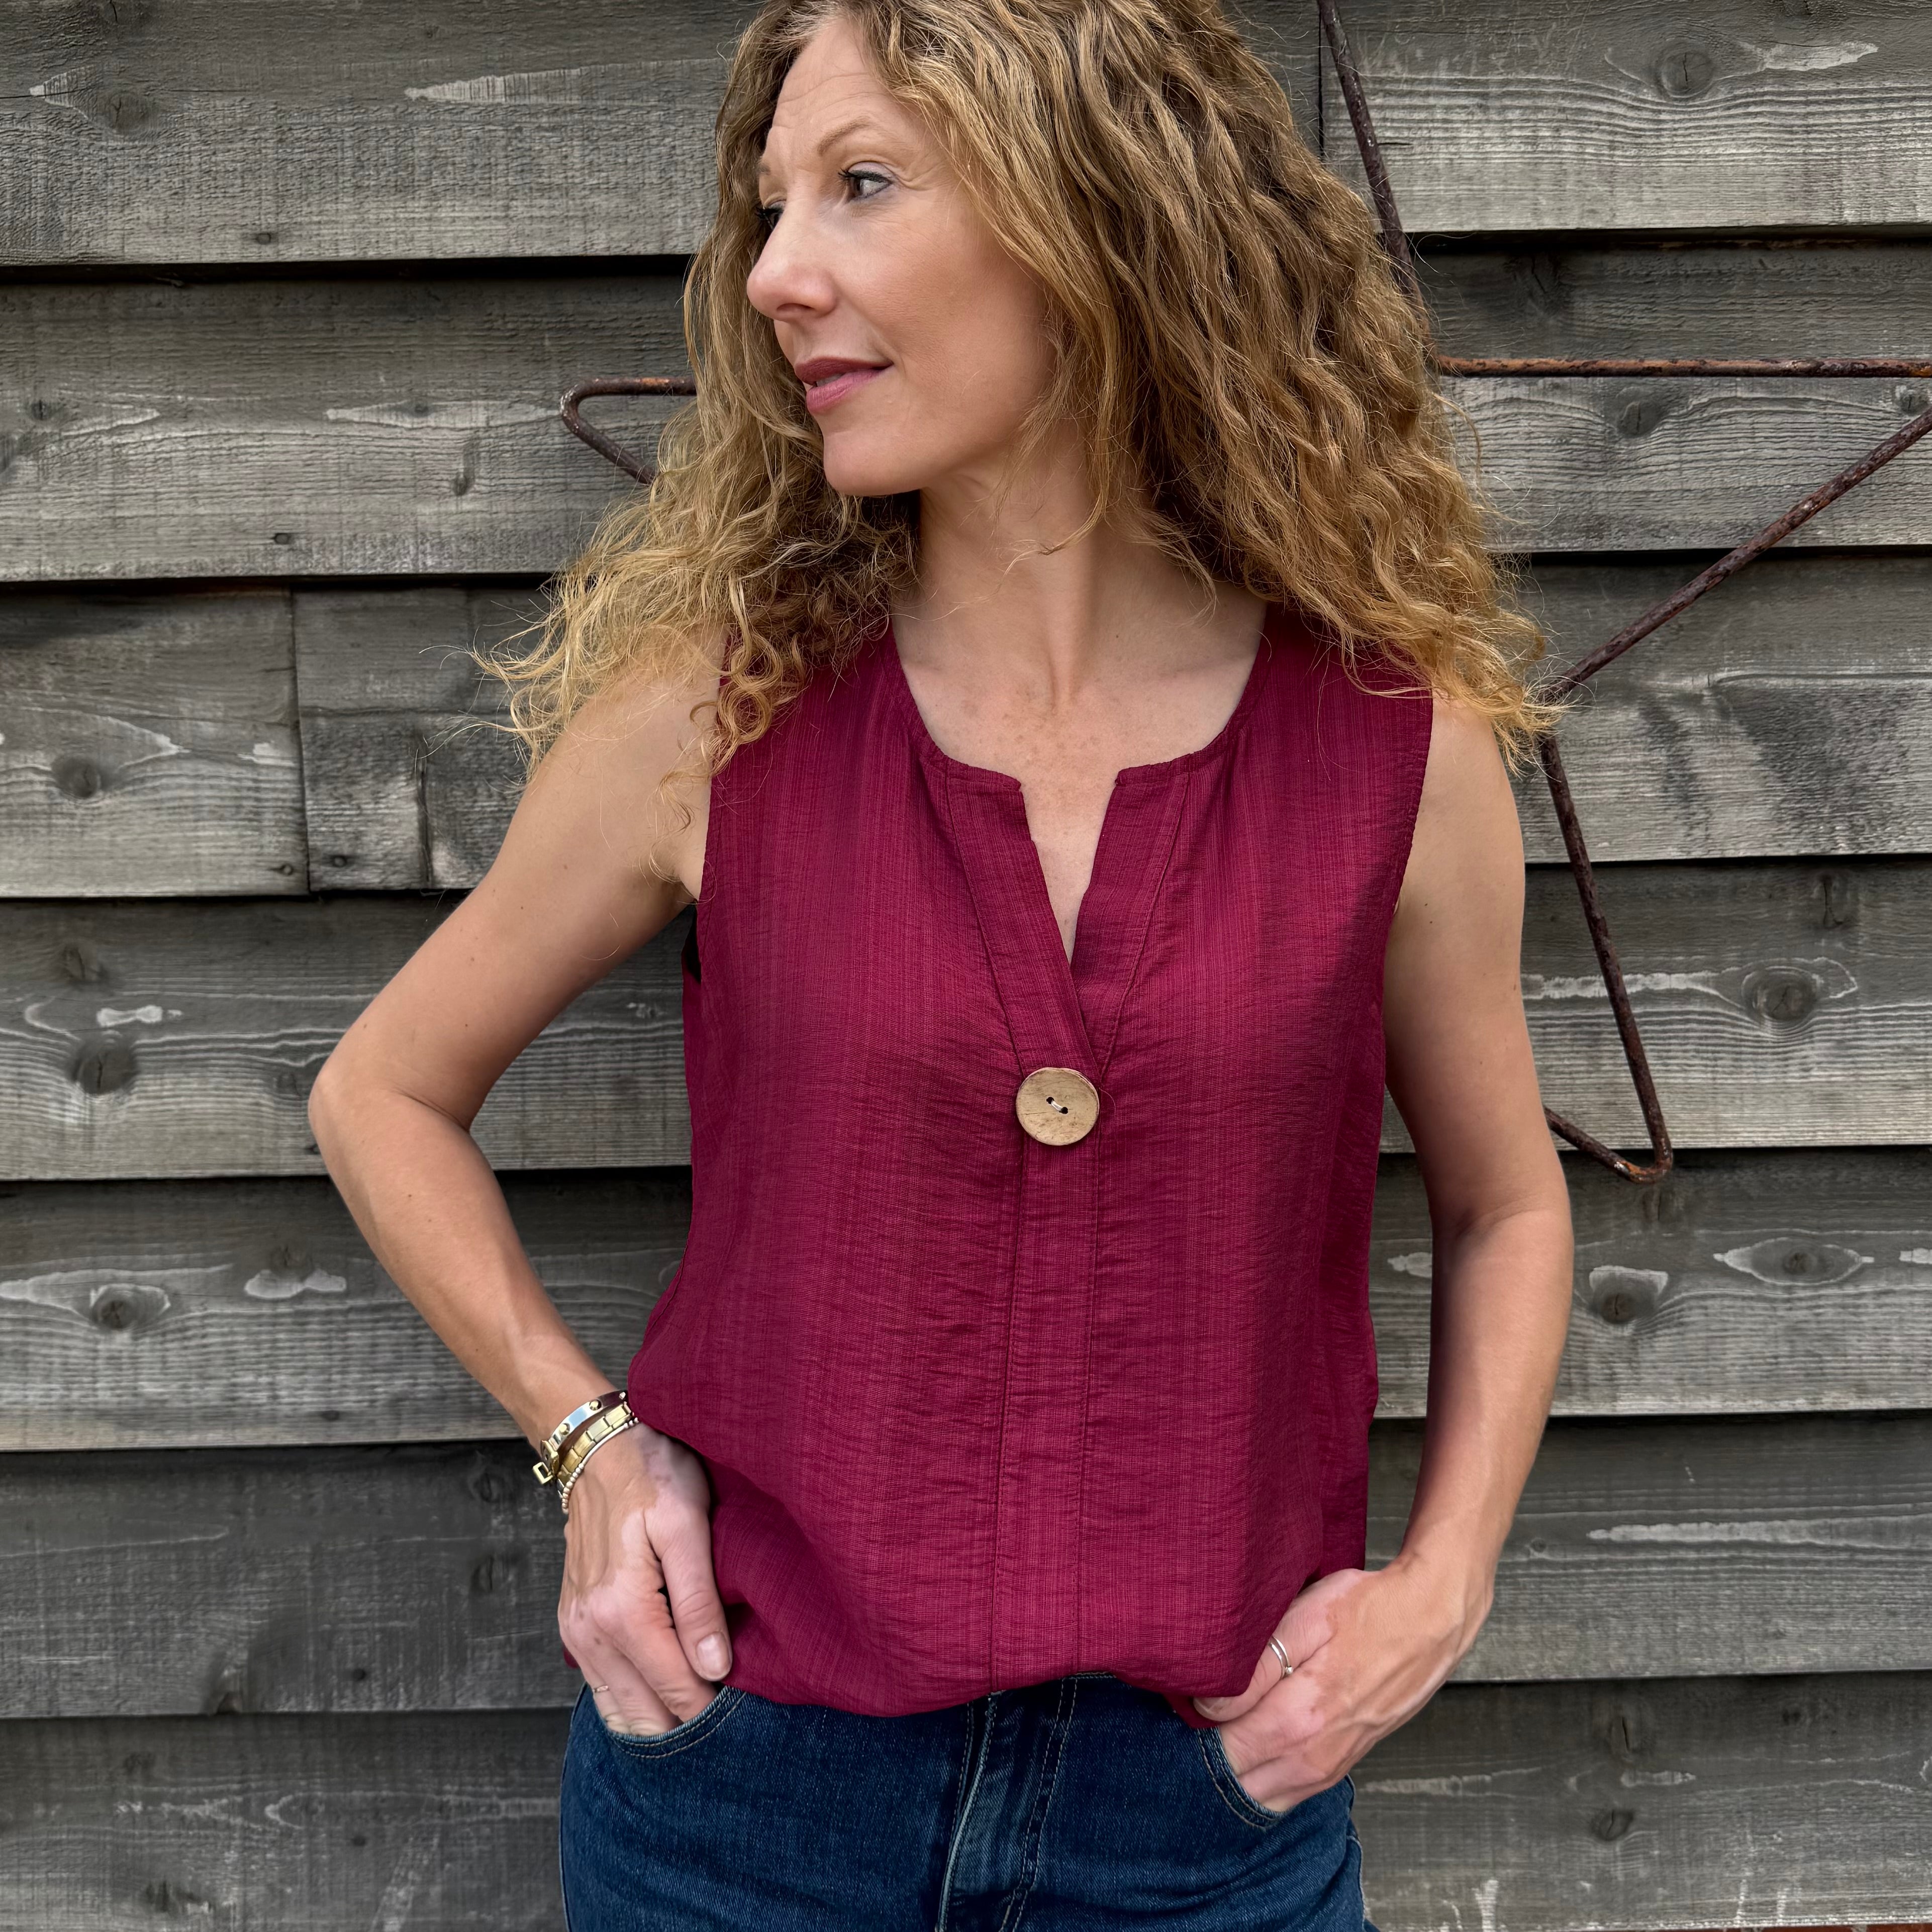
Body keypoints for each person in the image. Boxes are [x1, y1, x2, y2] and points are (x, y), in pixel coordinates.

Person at [307, 1, 1577, 1924]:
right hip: (744, 1803)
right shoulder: (717, 718)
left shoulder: (1398, 746)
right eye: (768, 208)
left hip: (1204, 1821)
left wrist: (1446, 1577)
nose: (774, 274)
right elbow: (381, 1090)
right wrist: (588, 1442)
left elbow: (1503, 1202)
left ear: (1100, 216)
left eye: (861, 187)